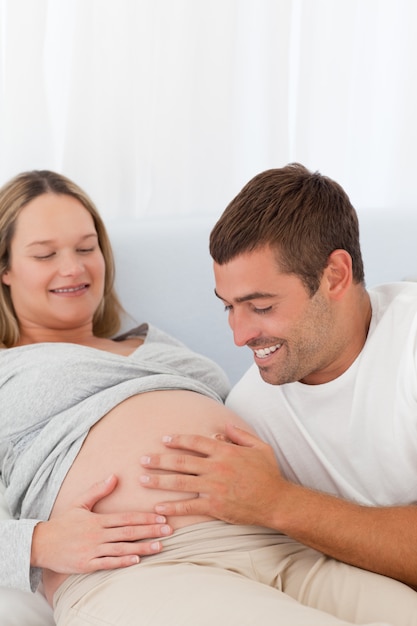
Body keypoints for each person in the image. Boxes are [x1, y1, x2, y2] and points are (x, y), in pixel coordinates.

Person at [0, 169, 398, 626]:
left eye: (86, 248)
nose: (73, 267)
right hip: (146, 566)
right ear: (5, 268)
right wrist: (38, 544)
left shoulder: (166, 347)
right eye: (45, 254)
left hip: (280, 545)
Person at [138, 163, 417, 623]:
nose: (239, 335)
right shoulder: (252, 413)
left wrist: (278, 502)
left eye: (261, 306)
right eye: (229, 307)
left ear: (335, 275)